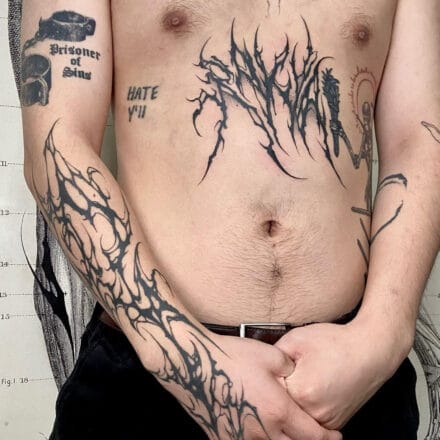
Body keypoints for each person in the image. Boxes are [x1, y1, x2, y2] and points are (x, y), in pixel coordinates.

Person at [19, 0, 440, 439]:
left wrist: (383, 337)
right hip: (155, 366)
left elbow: (419, 141)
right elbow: (56, 143)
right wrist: (184, 359)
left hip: (349, 375)